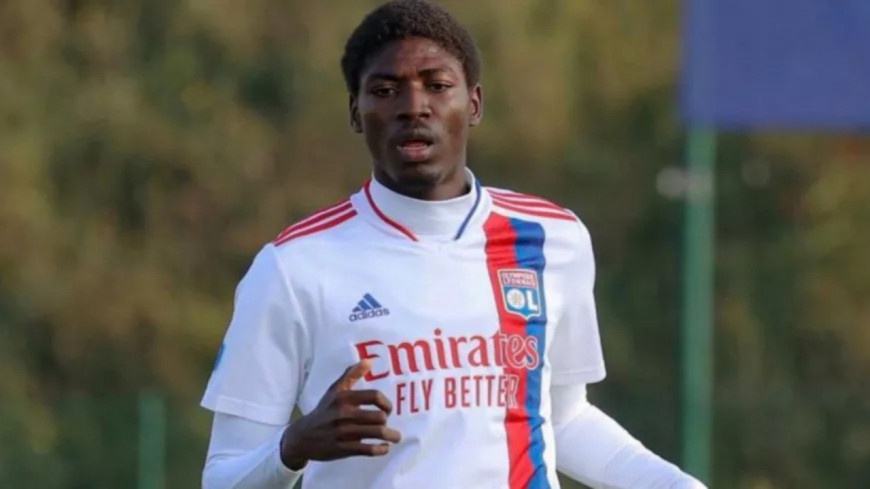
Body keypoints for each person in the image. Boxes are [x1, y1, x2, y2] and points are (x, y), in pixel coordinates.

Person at [200, 1, 708, 488]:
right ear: (356, 112)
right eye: (385, 90)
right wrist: (293, 447)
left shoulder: (552, 238)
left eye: (438, 86)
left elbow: (563, 418)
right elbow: (223, 477)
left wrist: (673, 483)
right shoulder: (294, 266)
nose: (413, 107)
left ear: (474, 103)